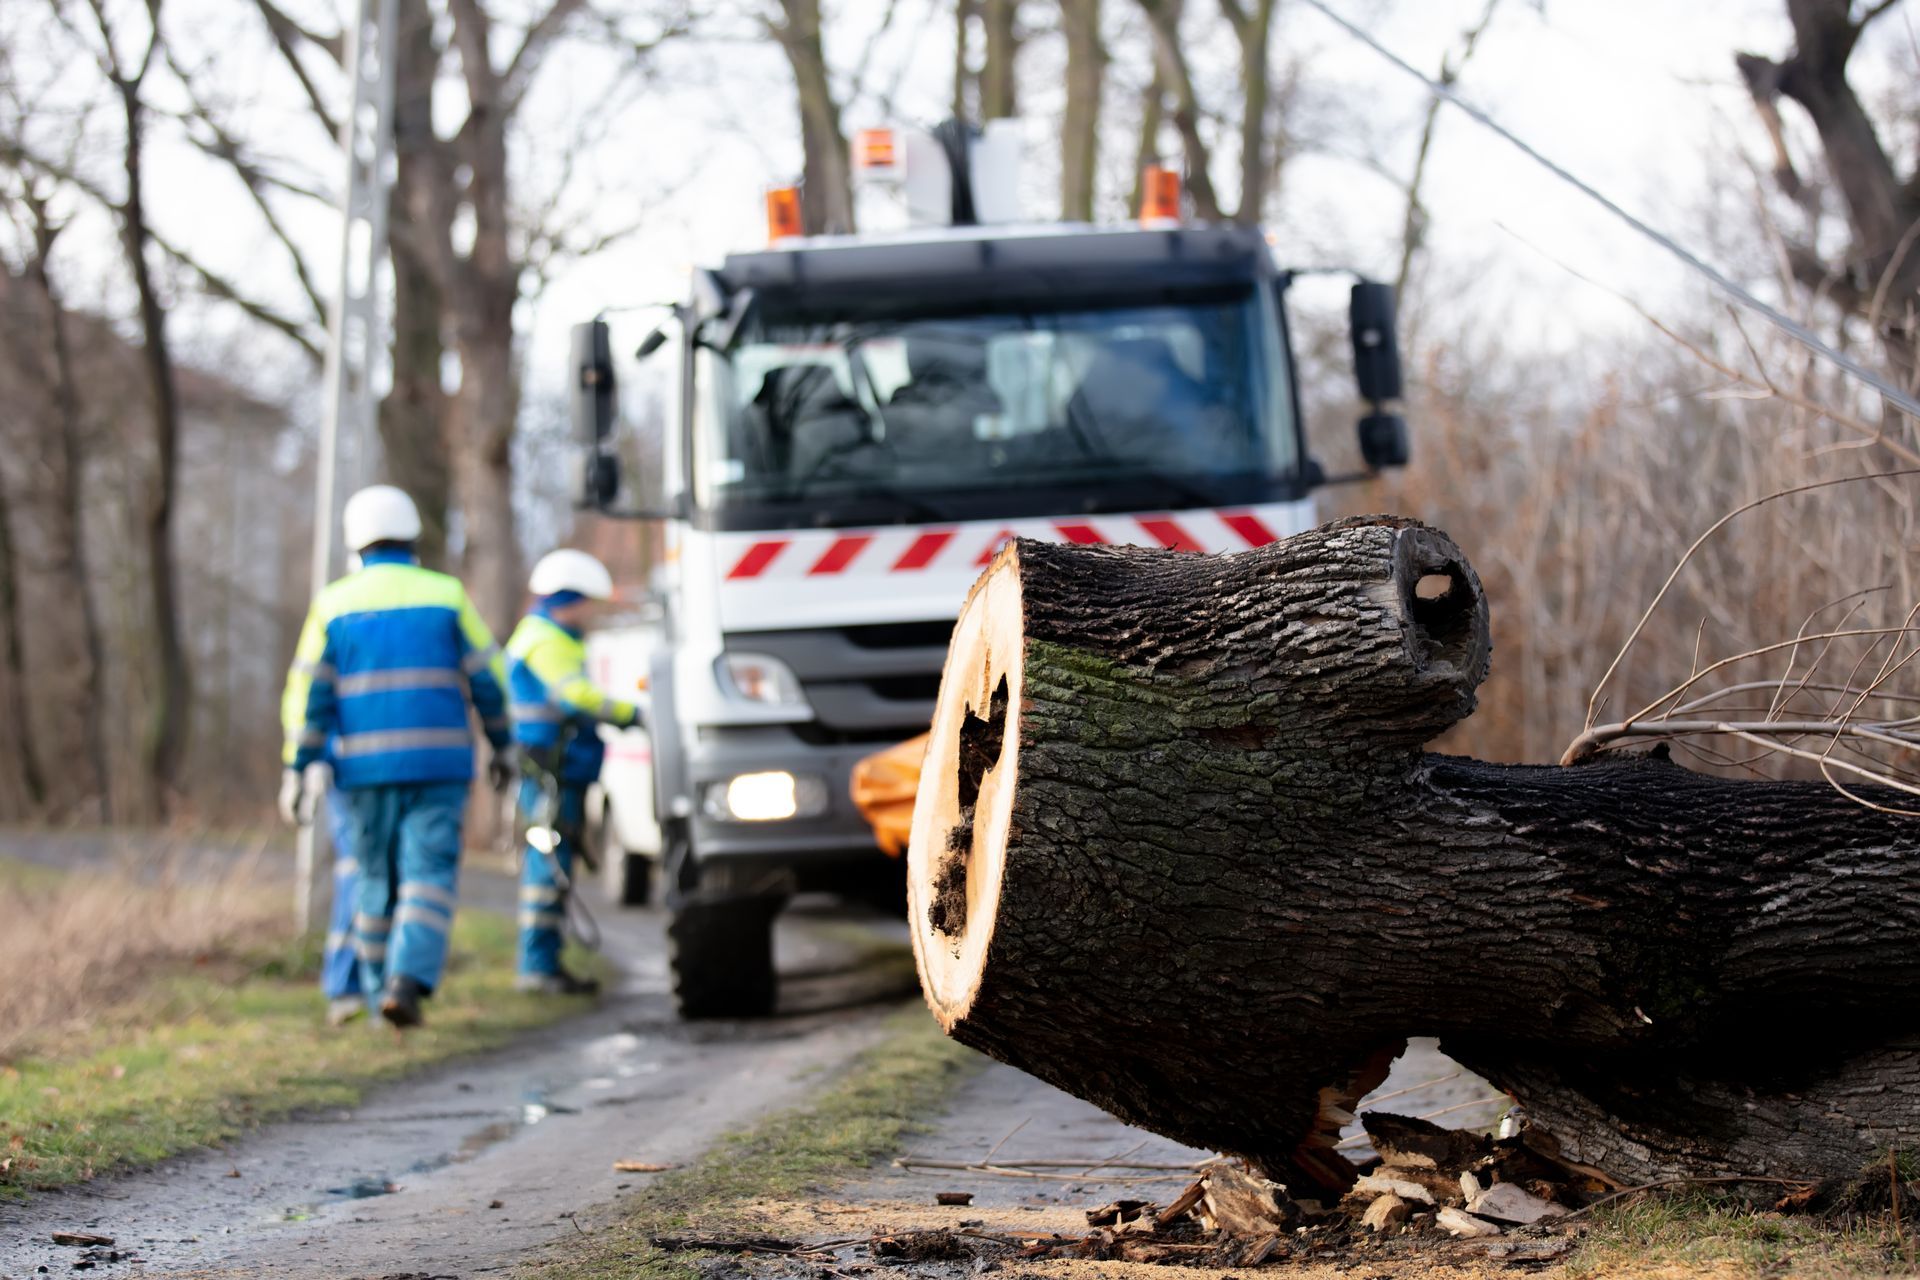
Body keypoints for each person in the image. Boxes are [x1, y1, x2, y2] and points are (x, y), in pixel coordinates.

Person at [279, 484, 517, 1029]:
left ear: (355, 545)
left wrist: (299, 766)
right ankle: (405, 982)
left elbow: (307, 696)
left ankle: (372, 986)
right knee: (427, 877)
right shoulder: (447, 595)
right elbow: (489, 678)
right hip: (439, 769)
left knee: (371, 880)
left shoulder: (333, 604)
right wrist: (503, 743)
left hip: (360, 774)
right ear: (413, 539)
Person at [506, 549, 642, 994]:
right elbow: (576, 697)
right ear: (570, 598)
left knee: (555, 862)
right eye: (588, 603)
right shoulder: (545, 639)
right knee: (548, 866)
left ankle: (545, 964)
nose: (591, 613)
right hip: (551, 771)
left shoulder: (552, 635)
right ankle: (537, 967)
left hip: (560, 769)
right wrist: (630, 713)